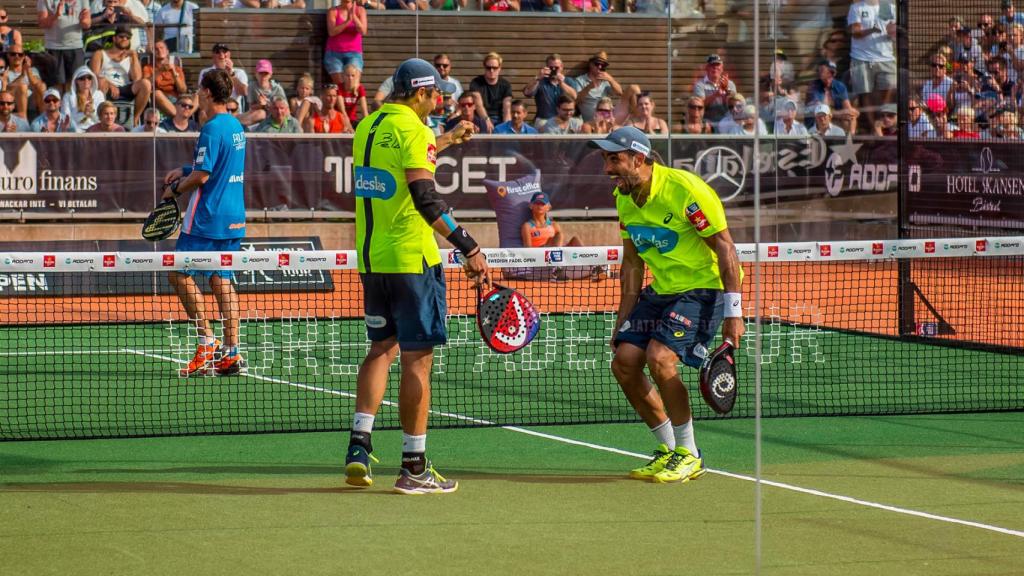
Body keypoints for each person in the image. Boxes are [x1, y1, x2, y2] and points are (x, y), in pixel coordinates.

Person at [346, 57, 488, 495]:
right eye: (436, 94)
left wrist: (444, 140)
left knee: (380, 349)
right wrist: (468, 246)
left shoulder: (367, 126)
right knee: (417, 362)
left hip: (372, 261)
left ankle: (358, 446)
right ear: (422, 93)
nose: (438, 101)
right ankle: (413, 467)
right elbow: (426, 199)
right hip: (412, 262)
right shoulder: (416, 130)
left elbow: (399, 163)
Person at [590, 126, 743, 484]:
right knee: (624, 363)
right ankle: (670, 448)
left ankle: (690, 455)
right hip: (662, 290)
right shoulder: (624, 198)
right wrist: (622, 320)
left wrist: (734, 312)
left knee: (660, 358)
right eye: (605, 159)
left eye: (614, 159)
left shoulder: (685, 191)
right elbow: (632, 263)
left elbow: (724, 246)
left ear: (638, 159)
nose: (607, 169)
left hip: (704, 287)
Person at [161, 68, 247, 378]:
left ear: (208, 93)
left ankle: (207, 341)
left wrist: (174, 190)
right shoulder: (236, 126)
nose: (197, 93)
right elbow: (218, 165)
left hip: (207, 218)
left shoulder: (210, 128)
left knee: (177, 273)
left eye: (200, 89)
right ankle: (232, 352)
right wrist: (186, 169)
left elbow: (203, 176)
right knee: (221, 280)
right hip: (234, 217)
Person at [847, 0, 897, 130]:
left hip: (885, 57)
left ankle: (882, 121)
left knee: (890, 88)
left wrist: (893, 32)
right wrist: (873, 30)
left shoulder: (889, 7)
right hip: (861, 57)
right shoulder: (856, 8)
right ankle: (874, 128)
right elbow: (855, 33)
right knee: (865, 93)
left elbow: (894, 31)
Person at [89, 25, 151, 125]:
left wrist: (134, 56)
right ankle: (101, 119)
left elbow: (137, 79)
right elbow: (94, 75)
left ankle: (135, 119)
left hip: (125, 87)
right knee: (101, 81)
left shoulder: (131, 57)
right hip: (106, 88)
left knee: (146, 84)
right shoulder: (100, 54)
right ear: (114, 38)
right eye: (121, 36)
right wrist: (110, 84)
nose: (124, 39)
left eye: (127, 38)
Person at [37, 0, 91, 93]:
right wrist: (56, 15)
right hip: (54, 48)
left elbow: (87, 23)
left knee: (75, 85)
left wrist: (84, 21)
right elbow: (42, 23)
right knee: (56, 86)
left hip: (76, 46)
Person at [522, 53, 576, 129]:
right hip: (544, 119)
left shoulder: (568, 81)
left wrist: (561, 83)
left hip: (565, 118)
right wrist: (537, 78)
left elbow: (574, 96)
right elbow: (527, 93)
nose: (553, 70)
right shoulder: (540, 81)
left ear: (562, 67)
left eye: (556, 68)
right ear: (546, 68)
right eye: (551, 67)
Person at [325, 0, 367, 94]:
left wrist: (354, 17)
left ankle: (354, 103)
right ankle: (342, 104)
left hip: (354, 53)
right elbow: (332, 32)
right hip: (334, 53)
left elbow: (363, 31)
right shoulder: (333, 11)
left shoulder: (360, 10)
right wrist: (348, 21)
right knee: (341, 87)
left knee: (353, 86)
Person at [569, 50, 623, 122]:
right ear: (591, 64)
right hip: (588, 122)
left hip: (605, 121)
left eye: (603, 65)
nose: (600, 67)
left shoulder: (606, 80)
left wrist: (611, 80)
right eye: (597, 64)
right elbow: (577, 100)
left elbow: (620, 93)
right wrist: (588, 87)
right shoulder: (580, 80)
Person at [469, 51, 513, 132]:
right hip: (480, 117)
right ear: (484, 67)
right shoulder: (476, 82)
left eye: (495, 68)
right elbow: (478, 105)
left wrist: (506, 127)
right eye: (488, 68)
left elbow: (507, 109)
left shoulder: (505, 85)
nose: (491, 70)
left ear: (499, 68)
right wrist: (486, 120)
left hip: (499, 118)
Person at [4, 44, 46, 119]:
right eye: (13, 54)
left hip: (33, 101)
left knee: (42, 86)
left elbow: (38, 85)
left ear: (24, 57)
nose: (17, 56)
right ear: (8, 55)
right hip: (14, 102)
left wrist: (28, 71)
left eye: (20, 55)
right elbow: (5, 91)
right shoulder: (5, 72)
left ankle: (44, 119)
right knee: (22, 87)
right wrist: (22, 75)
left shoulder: (33, 70)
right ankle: (24, 119)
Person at [241, 58, 286, 126]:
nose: (263, 76)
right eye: (261, 73)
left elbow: (284, 108)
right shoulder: (252, 86)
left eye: (266, 73)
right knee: (241, 115)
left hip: (274, 116)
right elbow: (251, 107)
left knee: (261, 113)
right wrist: (260, 105)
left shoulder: (277, 88)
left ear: (270, 75)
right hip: (255, 116)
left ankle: (236, 126)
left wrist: (265, 105)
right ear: (256, 74)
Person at [692, 54, 735, 124]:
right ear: (707, 68)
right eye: (712, 65)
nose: (715, 67)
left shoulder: (730, 84)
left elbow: (734, 105)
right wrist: (716, 95)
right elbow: (699, 106)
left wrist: (727, 90)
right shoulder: (699, 85)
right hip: (707, 124)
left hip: (727, 123)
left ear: (722, 68)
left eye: (718, 65)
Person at [148, 40, 187, 117]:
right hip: (159, 100)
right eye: (156, 49)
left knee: (197, 96)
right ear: (153, 53)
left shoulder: (177, 69)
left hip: (176, 99)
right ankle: (179, 118)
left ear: (167, 51)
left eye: (162, 48)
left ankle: (181, 117)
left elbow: (183, 90)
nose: (159, 50)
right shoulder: (148, 68)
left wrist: (174, 72)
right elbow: (147, 84)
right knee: (156, 93)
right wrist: (160, 71)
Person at [61, 65, 104, 132]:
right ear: (76, 81)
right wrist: (83, 114)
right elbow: (66, 120)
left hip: (95, 130)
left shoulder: (99, 95)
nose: (86, 80)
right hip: (75, 131)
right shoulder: (68, 96)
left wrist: (92, 112)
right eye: (82, 78)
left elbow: (102, 119)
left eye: (89, 78)